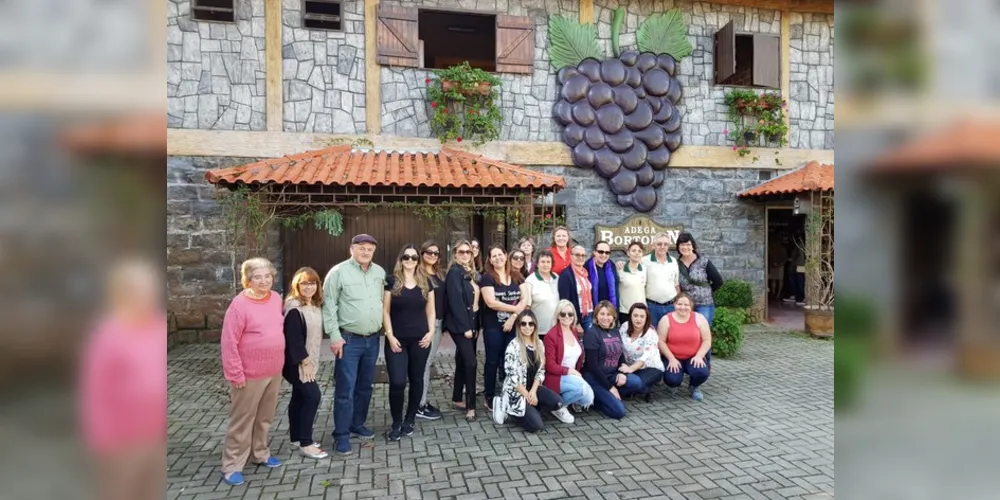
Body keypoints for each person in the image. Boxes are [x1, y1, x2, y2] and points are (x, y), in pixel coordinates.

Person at [79, 259, 167, 500]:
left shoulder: (158, 326)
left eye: (149, 288)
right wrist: (102, 440)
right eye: (137, 290)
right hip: (123, 439)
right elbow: (95, 393)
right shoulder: (109, 334)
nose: (145, 295)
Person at [219, 258, 285, 485]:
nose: (264, 281)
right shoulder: (239, 305)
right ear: (248, 280)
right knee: (242, 420)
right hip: (249, 374)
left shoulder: (275, 298)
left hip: (274, 370)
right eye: (257, 277)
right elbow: (229, 342)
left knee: (265, 416)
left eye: (267, 276)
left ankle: (260, 453)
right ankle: (232, 465)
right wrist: (235, 373)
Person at [323, 234, 386, 455]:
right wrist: (334, 336)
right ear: (352, 249)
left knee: (365, 386)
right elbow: (329, 305)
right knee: (345, 389)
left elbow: (382, 301)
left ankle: (356, 424)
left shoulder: (379, 273)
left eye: (370, 249)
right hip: (348, 340)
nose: (366, 252)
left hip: (373, 339)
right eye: (361, 248)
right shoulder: (338, 272)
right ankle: (341, 434)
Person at [382, 245, 436, 441]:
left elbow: (431, 311)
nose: (410, 260)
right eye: (406, 257)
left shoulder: (426, 282)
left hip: (420, 340)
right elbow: (385, 311)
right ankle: (396, 422)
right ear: (401, 259)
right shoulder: (391, 281)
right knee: (397, 381)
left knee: (416, 379)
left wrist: (431, 332)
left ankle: (410, 419)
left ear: (418, 260)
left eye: (414, 257)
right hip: (396, 340)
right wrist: (390, 336)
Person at [493, 310, 573, 431]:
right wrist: (527, 395)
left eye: (531, 323)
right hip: (517, 391)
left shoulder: (539, 344)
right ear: (519, 326)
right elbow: (512, 377)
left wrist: (533, 392)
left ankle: (535, 408)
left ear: (535, 326)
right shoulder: (513, 346)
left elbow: (541, 371)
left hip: (533, 388)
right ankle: (506, 406)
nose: (527, 327)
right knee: (537, 426)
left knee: (558, 403)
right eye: (523, 324)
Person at [282, 267, 327, 459]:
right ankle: (306, 444)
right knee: (312, 396)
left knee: (299, 396)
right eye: (304, 283)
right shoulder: (294, 309)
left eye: (313, 283)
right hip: (296, 363)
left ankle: (296, 437)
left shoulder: (314, 305)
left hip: (307, 360)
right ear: (297, 285)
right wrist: (305, 363)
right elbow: (294, 341)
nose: (309, 287)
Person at [480, 244, 530, 412]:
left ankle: (510, 391)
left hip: (514, 326)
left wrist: (514, 316)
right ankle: (489, 395)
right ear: (490, 259)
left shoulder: (516, 276)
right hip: (493, 327)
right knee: (492, 361)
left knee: (512, 360)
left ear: (505, 255)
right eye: (493, 256)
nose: (498, 258)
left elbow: (525, 299)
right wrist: (515, 309)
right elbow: (491, 302)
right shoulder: (487, 278)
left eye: (500, 254)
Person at [581, 301, 644, 419]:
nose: (605, 317)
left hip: (612, 375)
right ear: (596, 316)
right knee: (619, 412)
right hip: (595, 378)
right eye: (602, 314)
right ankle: (594, 401)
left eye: (608, 314)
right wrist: (610, 387)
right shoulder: (592, 333)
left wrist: (621, 372)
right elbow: (593, 366)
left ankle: (610, 396)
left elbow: (620, 354)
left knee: (636, 382)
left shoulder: (615, 331)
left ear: (613, 317)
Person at [445, 240, 480, 421]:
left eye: (468, 252)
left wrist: (474, 326)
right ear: (455, 254)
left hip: (473, 323)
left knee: (462, 359)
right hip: (461, 326)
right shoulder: (454, 272)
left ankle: (457, 397)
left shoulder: (470, 272)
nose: (465, 254)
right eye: (461, 252)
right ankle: (471, 406)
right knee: (471, 363)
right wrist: (466, 327)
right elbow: (456, 302)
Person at [657, 293, 712, 401]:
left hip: (693, 356)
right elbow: (661, 342)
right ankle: (674, 383)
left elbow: (707, 340)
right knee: (672, 380)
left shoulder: (699, 318)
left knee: (701, 372)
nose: (683, 307)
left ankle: (694, 386)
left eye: (686, 305)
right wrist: (671, 358)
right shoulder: (666, 319)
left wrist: (699, 356)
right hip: (673, 357)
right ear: (674, 304)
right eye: (679, 304)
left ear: (691, 306)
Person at [543, 300, 595, 411]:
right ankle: (558, 407)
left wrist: (575, 373)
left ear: (574, 316)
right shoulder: (551, 336)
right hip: (557, 376)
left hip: (572, 375)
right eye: (563, 314)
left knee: (589, 399)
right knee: (582, 390)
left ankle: (569, 399)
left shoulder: (574, 331)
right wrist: (570, 371)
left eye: (570, 314)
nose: (567, 317)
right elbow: (550, 366)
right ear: (558, 315)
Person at [415, 240, 445, 421]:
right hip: (425, 325)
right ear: (422, 253)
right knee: (424, 364)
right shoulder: (417, 273)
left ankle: (420, 401)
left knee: (426, 363)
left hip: (438, 324)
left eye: (435, 253)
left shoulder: (440, 273)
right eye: (428, 252)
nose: (432, 255)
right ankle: (419, 404)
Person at [618, 303, 665, 400]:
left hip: (650, 367)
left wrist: (630, 369)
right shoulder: (624, 327)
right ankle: (632, 389)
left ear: (646, 318)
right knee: (625, 384)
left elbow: (644, 358)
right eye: (635, 315)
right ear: (630, 316)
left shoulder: (651, 334)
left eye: (642, 316)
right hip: (628, 365)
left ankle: (646, 390)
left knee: (637, 384)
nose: (638, 319)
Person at [675, 232, 724, 325]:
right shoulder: (675, 264)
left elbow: (718, 281)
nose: (685, 247)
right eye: (682, 245)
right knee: (686, 330)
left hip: (704, 304)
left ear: (693, 246)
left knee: (702, 329)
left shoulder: (703, 261)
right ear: (678, 247)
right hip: (685, 306)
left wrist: (706, 291)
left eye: (688, 244)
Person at [645, 232, 681, 329]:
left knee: (671, 333)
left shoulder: (673, 261)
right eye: (659, 244)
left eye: (665, 244)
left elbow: (676, 285)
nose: (662, 247)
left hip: (670, 306)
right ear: (653, 245)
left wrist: (678, 303)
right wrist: (620, 264)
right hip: (652, 306)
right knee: (652, 334)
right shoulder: (644, 261)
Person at [557, 245, 593, 331]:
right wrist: (576, 322)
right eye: (577, 255)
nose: (580, 257)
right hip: (575, 315)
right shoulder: (566, 274)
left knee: (589, 338)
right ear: (571, 256)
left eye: (583, 255)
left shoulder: (586, 273)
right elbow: (565, 300)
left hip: (589, 313)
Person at [525, 250, 560, 336]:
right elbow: (526, 307)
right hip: (539, 330)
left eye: (548, 262)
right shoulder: (530, 280)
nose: (545, 264)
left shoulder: (556, 277)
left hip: (556, 328)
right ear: (537, 264)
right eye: (543, 262)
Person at [617, 241, 648, 324]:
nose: (637, 253)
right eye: (633, 251)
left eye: (639, 251)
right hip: (625, 311)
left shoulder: (645, 269)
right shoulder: (620, 269)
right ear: (628, 253)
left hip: (641, 312)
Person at [586, 240, 620, 311]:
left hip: (610, 310)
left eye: (607, 252)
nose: (604, 255)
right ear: (594, 252)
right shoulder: (587, 267)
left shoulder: (611, 266)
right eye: (600, 252)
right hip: (594, 310)